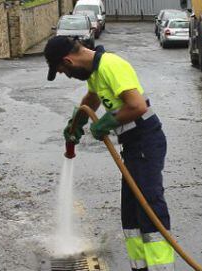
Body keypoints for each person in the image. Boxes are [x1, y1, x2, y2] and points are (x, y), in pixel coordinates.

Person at [44, 36, 175, 271]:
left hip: (146, 140)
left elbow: (137, 106)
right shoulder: (95, 72)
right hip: (133, 145)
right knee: (131, 215)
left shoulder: (111, 65)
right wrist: (77, 123)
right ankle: (141, 267)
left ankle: (162, 268)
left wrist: (106, 123)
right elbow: (91, 99)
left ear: (67, 60)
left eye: (64, 70)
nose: (66, 75)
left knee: (149, 208)